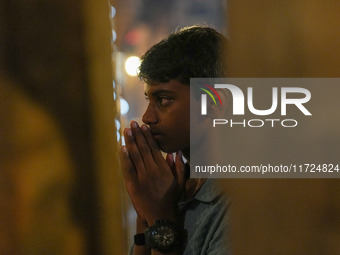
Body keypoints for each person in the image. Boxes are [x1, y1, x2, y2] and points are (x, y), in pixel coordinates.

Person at [120, 26, 230, 255]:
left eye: (164, 100)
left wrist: (162, 220)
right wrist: (146, 215)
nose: (147, 117)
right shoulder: (176, 187)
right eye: (148, 100)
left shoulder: (238, 201)